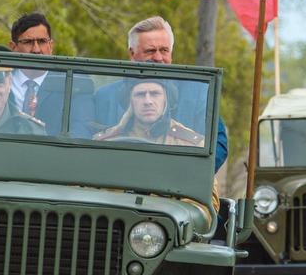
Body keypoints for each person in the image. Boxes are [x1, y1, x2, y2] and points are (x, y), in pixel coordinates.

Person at [92, 16, 228, 169]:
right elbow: (90, 148)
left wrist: (171, 176)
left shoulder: (199, 92)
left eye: (164, 50)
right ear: (132, 54)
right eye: (150, 51)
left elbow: (217, 148)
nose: (158, 58)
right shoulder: (105, 97)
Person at [6, 12, 96, 137]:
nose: (36, 50)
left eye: (42, 41)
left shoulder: (72, 83)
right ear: (13, 47)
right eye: (28, 42)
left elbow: (83, 129)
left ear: (51, 45)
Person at [93, 79, 205, 147]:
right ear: (129, 102)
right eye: (140, 94)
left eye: (155, 93)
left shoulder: (190, 144)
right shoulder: (104, 142)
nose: (148, 101)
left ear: (167, 99)